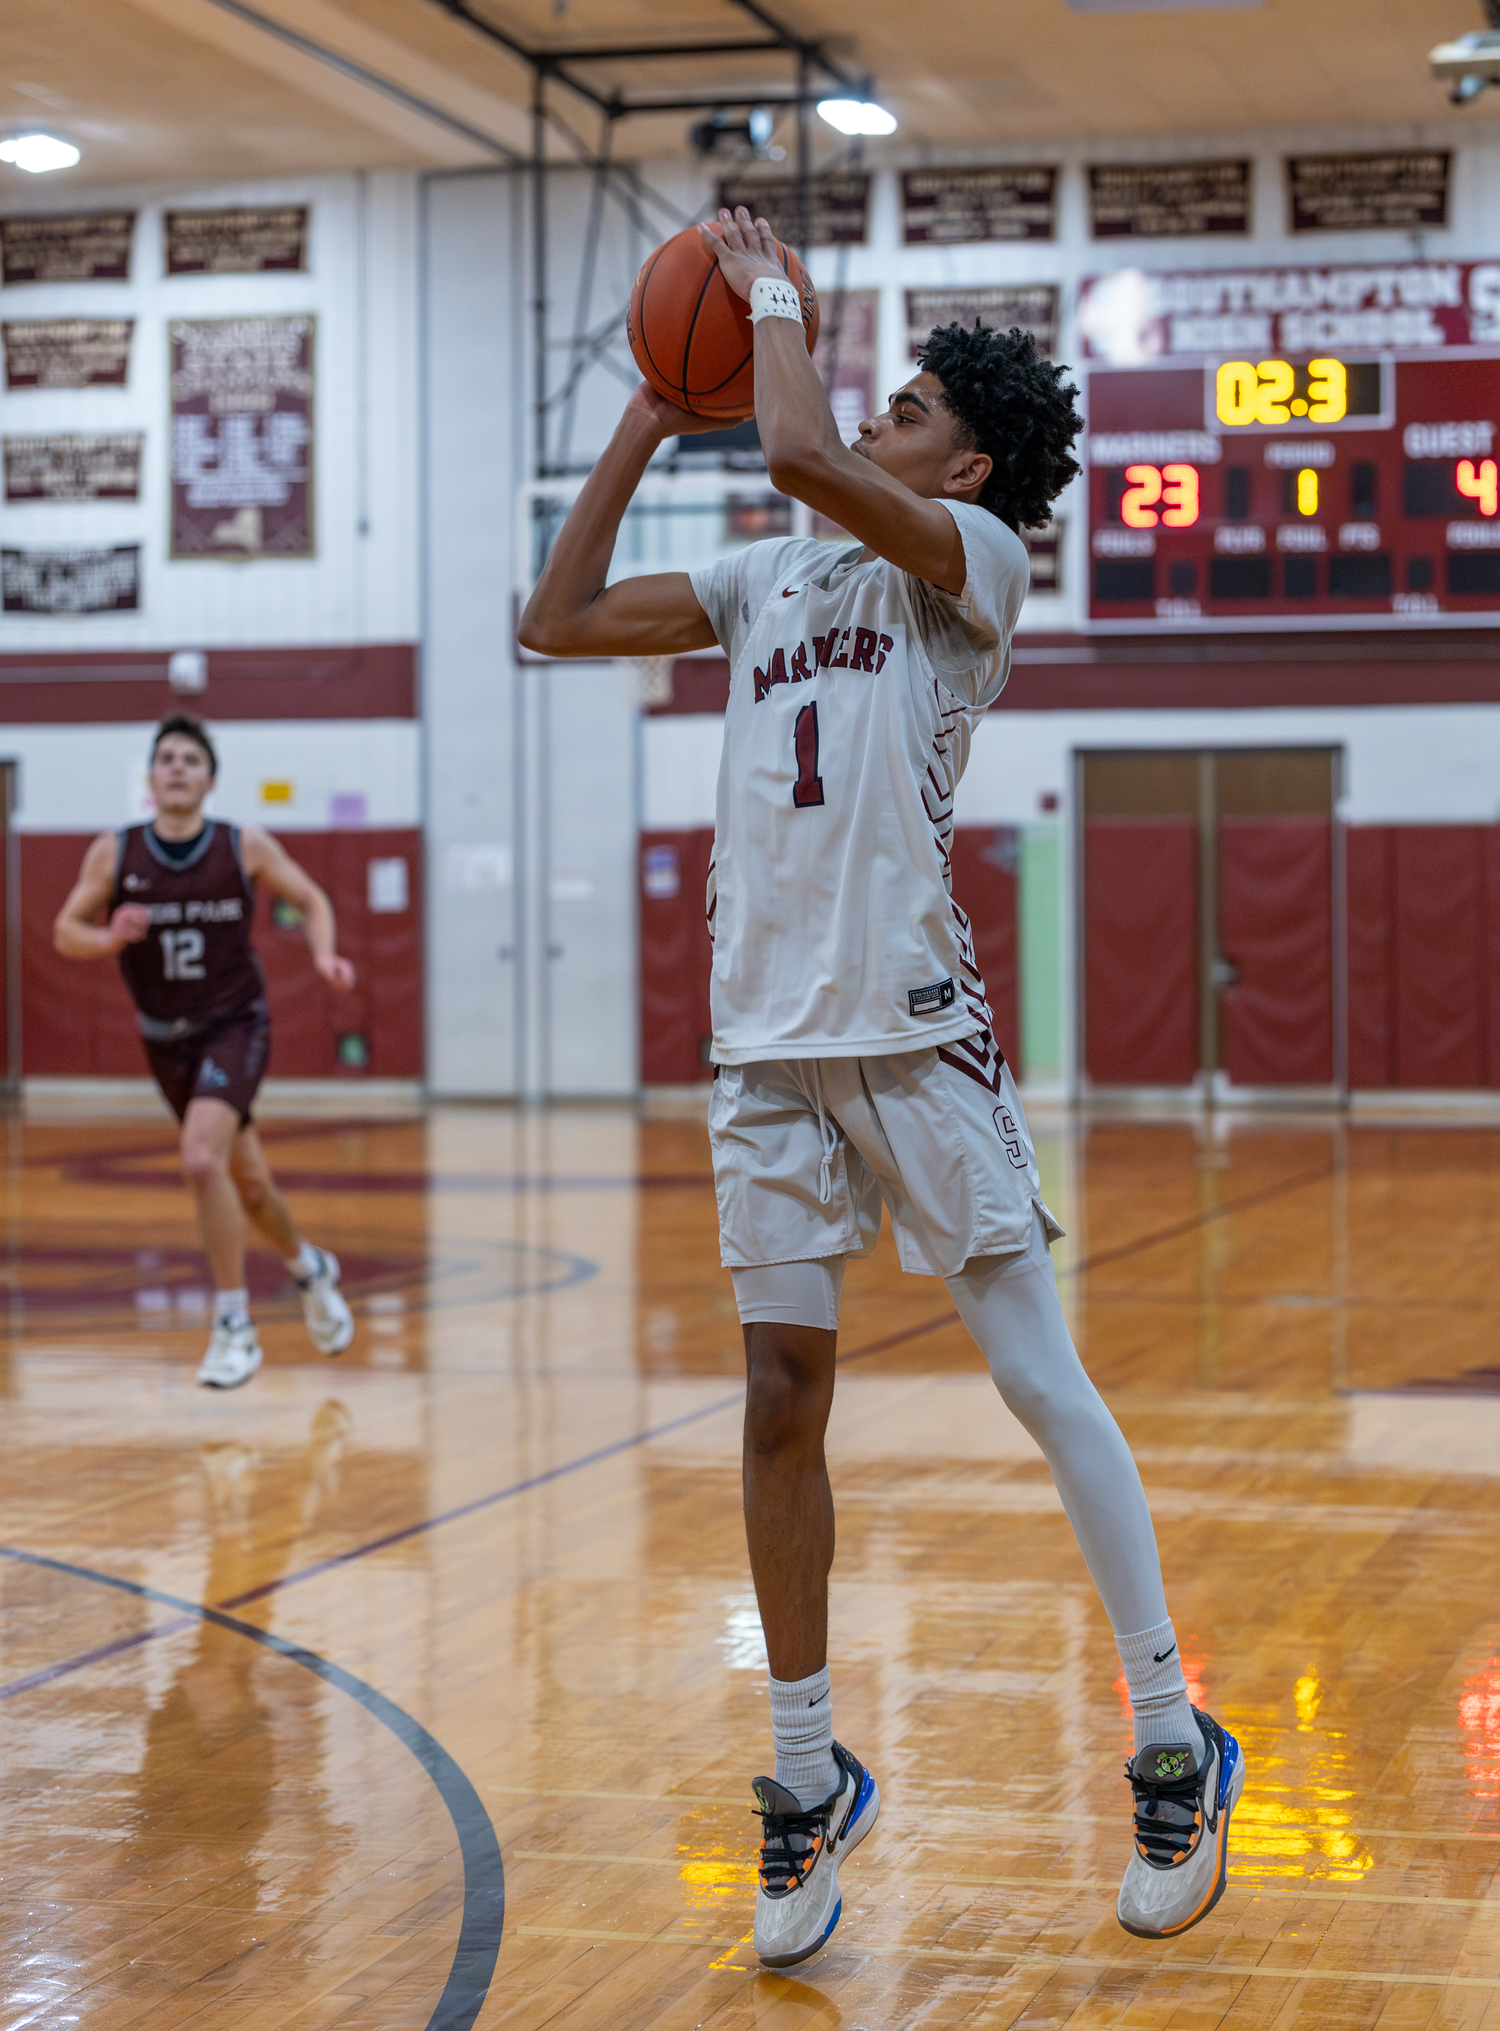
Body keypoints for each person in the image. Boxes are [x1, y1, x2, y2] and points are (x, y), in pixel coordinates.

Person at [519, 208, 1245, 1967]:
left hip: (914, 1031)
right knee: (779, 1392)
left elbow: (790, 441)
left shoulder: (969, 563)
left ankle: (1173, 1731)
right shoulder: (768, 582)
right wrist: (642, 409)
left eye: (908, 402)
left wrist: (768, 307)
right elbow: (553, 619)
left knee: (1034, 1373)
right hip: (765, 1041)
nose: (878, 416)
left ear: (967, 456)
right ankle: (800, 1779)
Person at [54, 713, 358, 1390]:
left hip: (233, 1024)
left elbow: (310, 898)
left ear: (210, 779)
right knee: (246, 1184)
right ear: (151, 778)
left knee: (198, 1158)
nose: (177, 768)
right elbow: (64, 931)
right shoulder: (116, 852)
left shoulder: (243, 844)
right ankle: (310, 1269)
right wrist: (107, 938)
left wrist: (325, 952)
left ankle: (233, 1325)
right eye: (166, 758)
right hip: (165, 1039)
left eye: (190, 759)